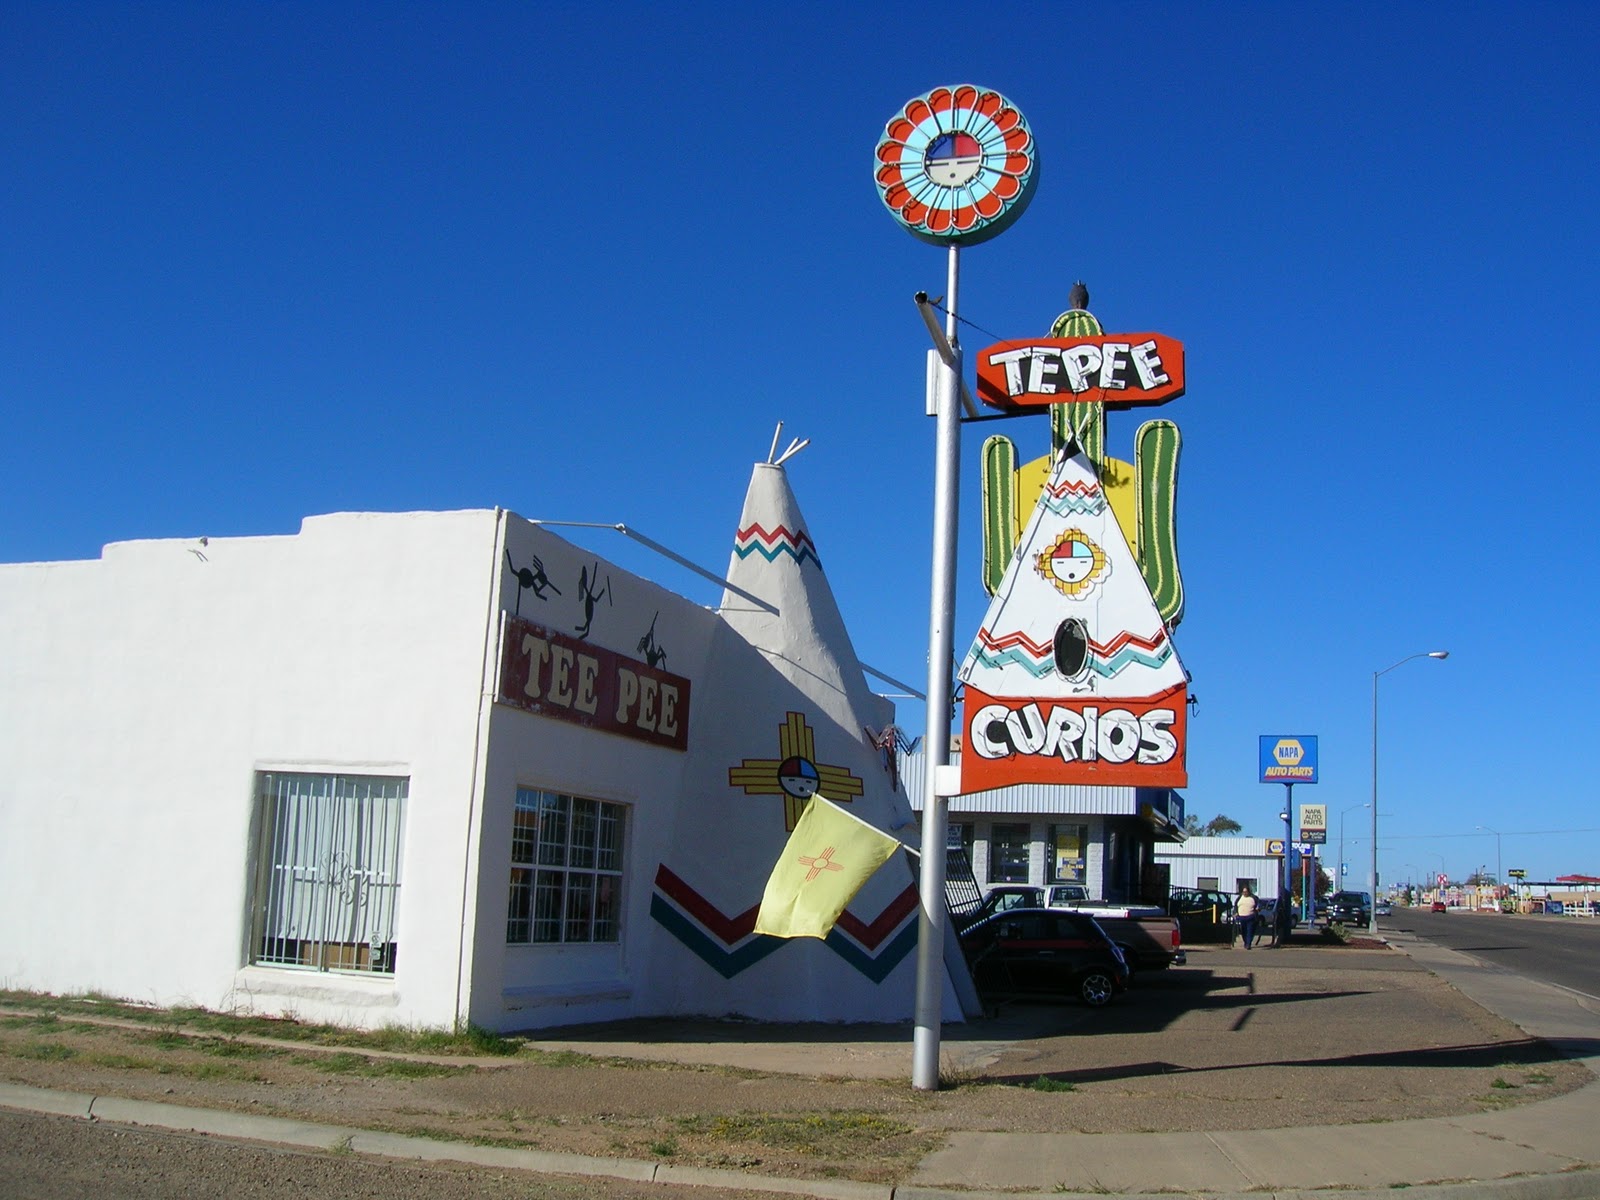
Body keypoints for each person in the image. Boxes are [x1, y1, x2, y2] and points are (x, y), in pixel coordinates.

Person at [1236, 884, 1260, 949]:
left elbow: (1258, 905)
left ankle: (1248, 944)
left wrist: (1258, 908)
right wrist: (1236, 913)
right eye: (1243, 892)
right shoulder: (1240, 898)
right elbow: (1236, 905)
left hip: (1250, 916)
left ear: (1249, 891)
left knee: (1250, 930)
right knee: (1243, 931)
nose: (1245, 893)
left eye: (1246, 892)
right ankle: (1245, 942)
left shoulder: (1253, 897)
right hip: (1242, 917)